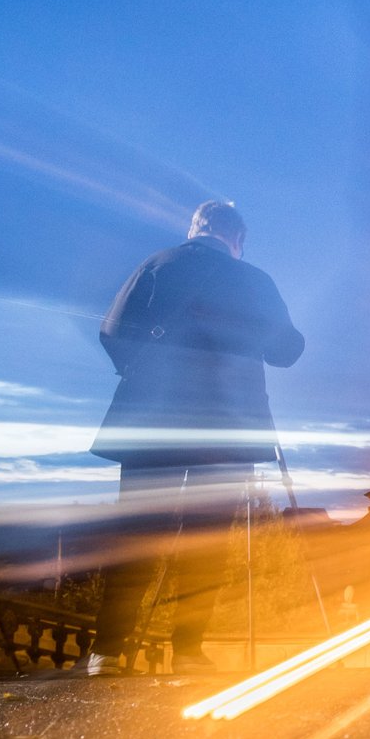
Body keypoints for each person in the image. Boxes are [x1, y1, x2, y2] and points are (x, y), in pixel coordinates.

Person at [85, 200, 303, 675]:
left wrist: (143, 373)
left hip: (152, 419)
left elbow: (112, 331)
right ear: (237, 240)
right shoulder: (254, 280)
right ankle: (186, 651)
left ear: (194, 229)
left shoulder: (157, 265)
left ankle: (108, 651)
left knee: (138, 530)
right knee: (207, 537)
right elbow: (287, 350)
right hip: (227, 424)